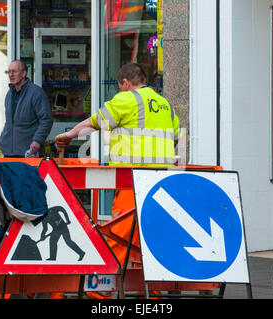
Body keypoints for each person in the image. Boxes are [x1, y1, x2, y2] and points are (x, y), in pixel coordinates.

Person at [55, 62, 182, 275]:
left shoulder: (127, 98)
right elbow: (175, 137)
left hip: (131, 179)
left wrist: (68, 136)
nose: (119, 90)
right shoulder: (164, 103)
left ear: (125, 82)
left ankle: (104, 287)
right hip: (162, 181)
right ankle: (153, 286)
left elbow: (94, 122)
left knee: (120, 234)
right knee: (153, 235)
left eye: (119, 86)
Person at [0, 60, 53, 158]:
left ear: (23, 73)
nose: (11, 75)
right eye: (9, 72)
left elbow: (46, 120)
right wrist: (2, 141)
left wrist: (37, 140)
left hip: (29, 152)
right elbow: (9, 122)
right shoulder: (9, 94)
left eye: (14, 71)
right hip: (8, 152)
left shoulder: (36, 92)